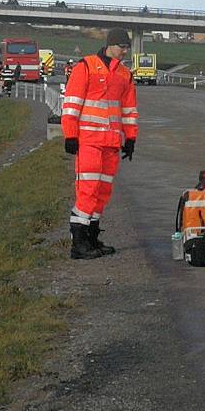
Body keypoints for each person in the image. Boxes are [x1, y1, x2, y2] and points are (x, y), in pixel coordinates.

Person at [61, 28, 139, 259]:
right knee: (88, 191)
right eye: (121, 47)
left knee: (102, 192)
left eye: (127, 48)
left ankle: (92, 238)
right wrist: (70, 135)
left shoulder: (125, 75)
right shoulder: (86, 67)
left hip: (111, 144)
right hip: (88, 142)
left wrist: (131, 137)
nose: (125, 52)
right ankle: (79, 243)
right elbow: (72, 104)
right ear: (110, 45)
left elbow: (129, 110)